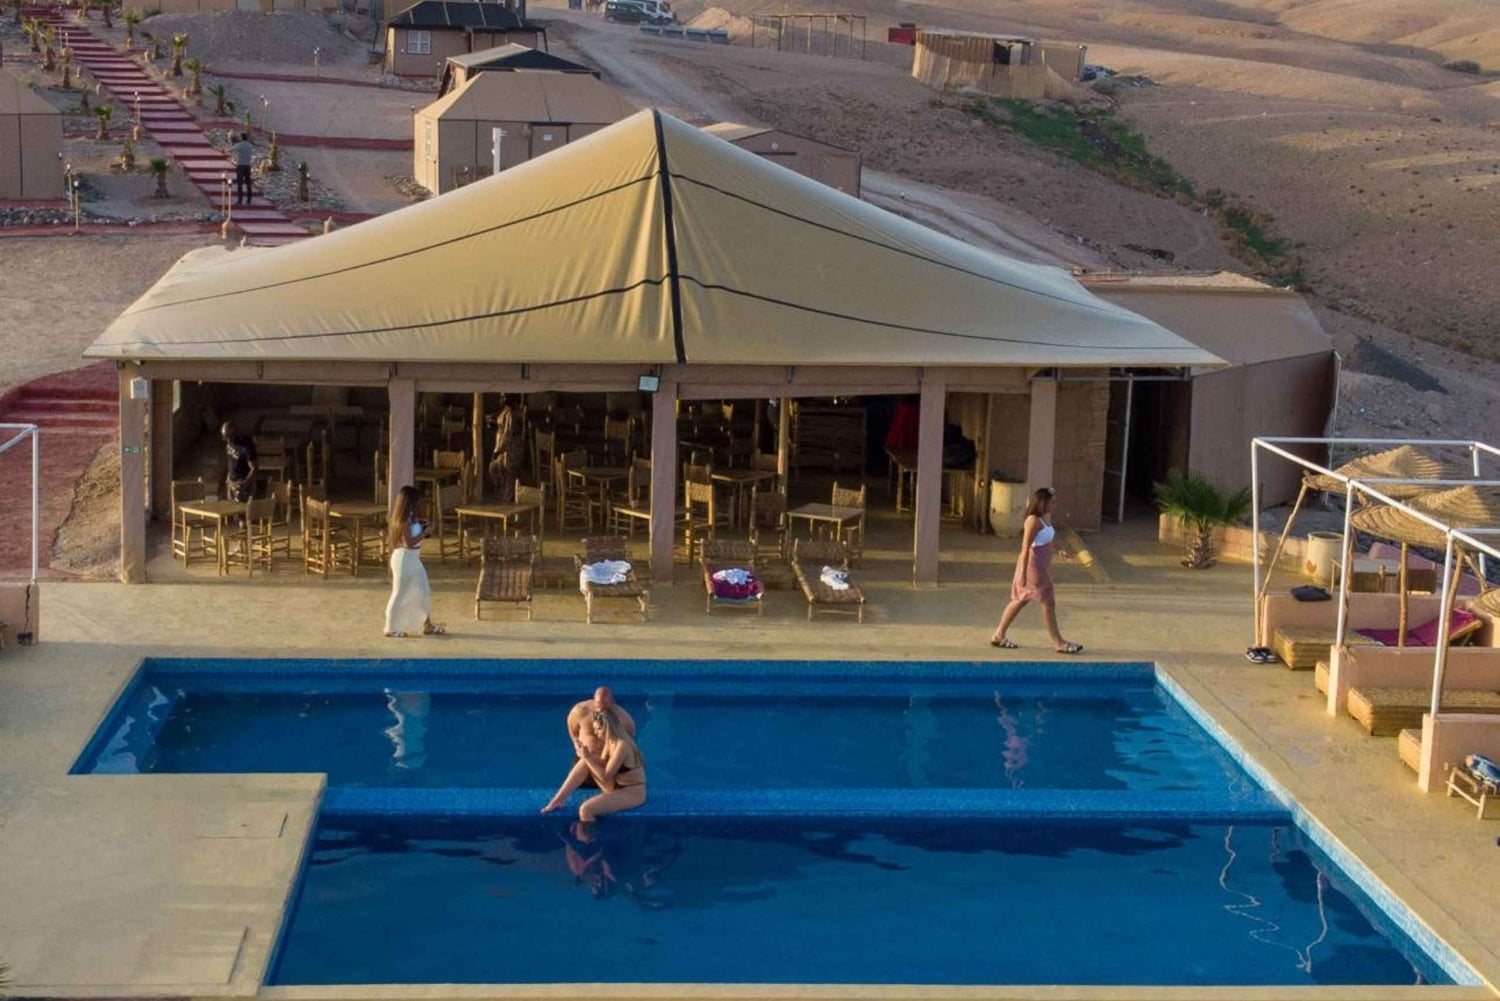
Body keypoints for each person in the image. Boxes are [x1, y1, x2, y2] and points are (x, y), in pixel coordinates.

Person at [990, 486, 1083, 654]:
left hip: (1042, 567)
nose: (1053, 506)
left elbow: (1046, 540)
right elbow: (1025, 547)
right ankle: (1059, 642)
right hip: (1035, 569)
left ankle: (999, 634)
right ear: (1042, 503)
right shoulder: (1033, 521)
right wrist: (1023, 574)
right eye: (1051, 502)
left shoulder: (1043, 520)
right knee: (1048, 602)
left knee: (1021, 599)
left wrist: (1060, 550)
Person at [541, 708, 647, 821]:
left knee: (586, 810)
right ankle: (558, 800)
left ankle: (589, 836)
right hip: (616, 785)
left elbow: (606, 776)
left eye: (597, 730)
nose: (595, 733)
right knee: (585, 762)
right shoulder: (611, 742)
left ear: (606, 728)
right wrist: (585, 754)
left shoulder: (622, 746)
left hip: (632, 792)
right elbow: (603, 764)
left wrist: (587, 757)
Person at [383, 484, 445, 638]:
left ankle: (427, 625)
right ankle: (389, 627)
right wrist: (424, 533)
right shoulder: (402, 520)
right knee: (399, 593)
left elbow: (415, 531)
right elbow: (409, 542)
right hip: (404, 560)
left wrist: (425, 526)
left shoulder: (410, 517)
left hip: (413, 559)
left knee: (423, 590)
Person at [487, 395, 521, 502]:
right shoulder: (505, 411)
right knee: (495, 468)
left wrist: (499, 450)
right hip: (502, 447)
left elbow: (508, 434)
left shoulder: (511, 413)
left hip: (509, 448)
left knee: (508, 472)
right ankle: (502, 493)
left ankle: (507, 498)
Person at [220, 422, 257, 502]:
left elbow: (254, 468)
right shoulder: (229, 443)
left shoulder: (246, 446)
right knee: (230, 509)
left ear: (235, 434)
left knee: (241, 511)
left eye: (229, 438)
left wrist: (245, 484)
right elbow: (231, 461)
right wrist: (228, 478)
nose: (227, 441)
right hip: (231, 482)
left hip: (242, 483)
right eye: (225, 438)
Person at [231, 132, 254, 206]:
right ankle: (249, 200)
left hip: (241, 166)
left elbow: (231, 149)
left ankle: (240, 200)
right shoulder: (250, 145)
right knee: (248, 184)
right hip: (248, 166)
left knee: (240, 184)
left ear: (241, 138)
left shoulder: (239, 145)